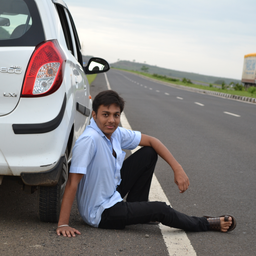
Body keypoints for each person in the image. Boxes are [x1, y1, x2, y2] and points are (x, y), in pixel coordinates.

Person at [56, 90, 236, 237]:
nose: (111, 120)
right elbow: (73, 183)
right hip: (101, 213)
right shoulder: (90, 140)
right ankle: (204, 223)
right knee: (160, 209)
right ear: (94, 115)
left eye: (116, 115)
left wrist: (177, 168)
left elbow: (152, 141)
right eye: (105, 115)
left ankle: (138, 205)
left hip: (110, 193)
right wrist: (63, 223)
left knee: (149, 153)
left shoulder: (115, 133)